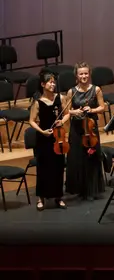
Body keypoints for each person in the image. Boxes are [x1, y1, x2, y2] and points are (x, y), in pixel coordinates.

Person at [27, 70, 69, 210]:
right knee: (43, 168)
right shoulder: (38, 102)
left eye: (53, 81)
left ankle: (58, 197)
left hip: (58, 136)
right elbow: (32, 121)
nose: (53, 84)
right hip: (43, 138)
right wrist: (42, 131)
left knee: (58, 166)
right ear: (43, 84)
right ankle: (41, 198)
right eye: (50, 82)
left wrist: (62, 121)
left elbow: (67, 114)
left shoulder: (61, 98)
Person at [65, 62, 106, 200]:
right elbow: (66, 111)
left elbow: (102, 107)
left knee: (92, 157)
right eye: (81, 73)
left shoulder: (96, 90)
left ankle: (92, 188)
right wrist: (74, 111)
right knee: (76, 158)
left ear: (89, 74)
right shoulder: (72, 91)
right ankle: (78, 188)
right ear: (76, 75)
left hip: (90, 128)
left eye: (86, 73)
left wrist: (92, 110)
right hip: (76, 129)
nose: (84, 76)